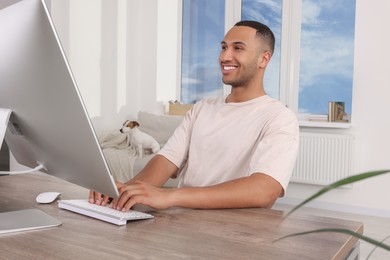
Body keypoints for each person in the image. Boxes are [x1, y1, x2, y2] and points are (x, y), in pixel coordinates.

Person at [90, 20, 299, 211]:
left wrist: (171, 196)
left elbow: (264, 190)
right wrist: (126, 192)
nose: (225, 56)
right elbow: (166, 160)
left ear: (264, 59)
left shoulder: (279, 117)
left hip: (236, 233)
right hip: (183, 224)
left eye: (238, 48)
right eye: (224, 47)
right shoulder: (202, 108)